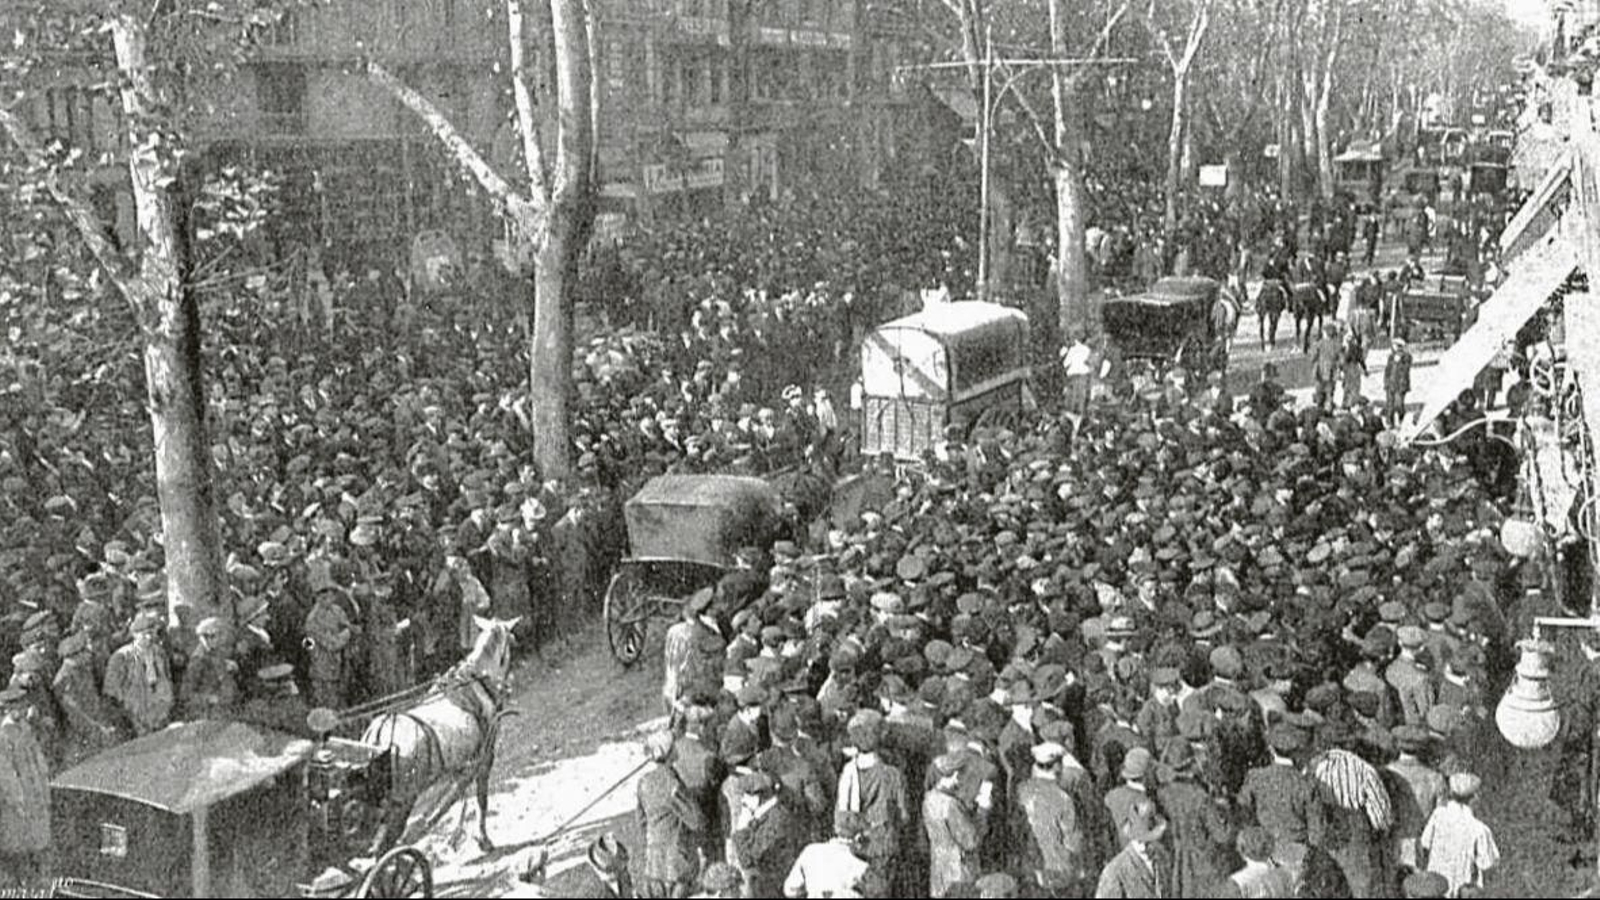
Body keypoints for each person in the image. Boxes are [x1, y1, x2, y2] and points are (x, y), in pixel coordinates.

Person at [637, 730, 707, 899]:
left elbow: (641, 822)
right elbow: (696, 821)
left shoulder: (644, 782)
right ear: (669, 752)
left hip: (653, 865)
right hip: (676, 865)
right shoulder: (672, 784)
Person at [1015, 740, 1085, 895]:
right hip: (1058, 873)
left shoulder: (1021, 790)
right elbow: (1073, 843)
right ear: (1057, 767)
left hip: (1029, 870)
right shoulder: (1063, 799)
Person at [1419, 772, 1499, 896]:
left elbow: (1424, 844)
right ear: (1474, 798)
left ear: (1451, 794)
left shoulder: (1437, 815)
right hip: (1463, 891)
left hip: (1435, 889)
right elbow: (1487, 864)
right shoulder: (1479, 829)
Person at [0, 688, 49, 888]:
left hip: (33, 785)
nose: (21, 710)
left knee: (35, 835)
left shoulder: (24, 727)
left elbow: (37, 755)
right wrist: (16, 797)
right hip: (16, 793)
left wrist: (43, 778)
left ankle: (33, 877)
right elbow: (5, 771)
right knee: (15, 837)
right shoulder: (4, 734)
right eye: (16, 706)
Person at [52, 631, 122, 765]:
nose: (89, 654)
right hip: (86, 732)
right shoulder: (63, 680)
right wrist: (98, 728)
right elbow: (75, 713)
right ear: (74, 655)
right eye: (84, 650)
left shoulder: (83, 669)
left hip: (98, 723)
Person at [103, 609, 174, 736]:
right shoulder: (122, 657)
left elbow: (166, 676)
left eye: (151, 633)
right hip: (135, 708)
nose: (149, 637)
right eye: (144, 634)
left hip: (158, 703)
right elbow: (111, 690)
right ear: (135, 635)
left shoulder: (159, 652)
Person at [924, 752, 981, 897]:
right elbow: (971, 841)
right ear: (947, 776)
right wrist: (983, 810)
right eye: (956, 775)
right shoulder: (951, 805)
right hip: (958, 870)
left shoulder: (928, 799)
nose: (958, 780)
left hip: (939, 866)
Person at [783, 809, 872, 898]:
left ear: (835, 828)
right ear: (859, 836)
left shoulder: (811, 852)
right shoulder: (863, 866)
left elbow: (790, 890)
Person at [1094, 796, 1171, 898]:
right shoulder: (1115, 871)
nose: (1143, 847)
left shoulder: (1163, 859)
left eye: (1148, 841)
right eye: (1139, 841)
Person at [181, 616, 238, 721]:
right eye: (214, 636)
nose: (219, 639)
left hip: (223, 710)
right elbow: (186, 694)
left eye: (219, 635)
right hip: (207, 715)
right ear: (205, 638)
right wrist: (209, 698)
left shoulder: (215, 652)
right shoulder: (198, 660)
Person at [1218, 826, 1295, 898]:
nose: (1263, 840)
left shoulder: (1280, 867)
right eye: (1255, 839)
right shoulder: (1240, 881)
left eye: (1261, 834)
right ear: (1246, 851)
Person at [1309, 324, 1343, 410]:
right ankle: (1328, 409)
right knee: (1330, 392)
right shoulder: (1337, 345)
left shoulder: (1319, 344)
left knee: (1319, 391)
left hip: (1319, 371)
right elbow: (1341, 360)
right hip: (1332, 372)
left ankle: (1319, 408)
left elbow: (1312, 358)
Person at [1385, 337, 1413, 428]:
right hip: (1391, 384)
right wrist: (1386, 382)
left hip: (1400, 385)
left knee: (1399, 404)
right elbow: (1387, 370)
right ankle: (1390, 423)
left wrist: (1399, 361)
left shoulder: (1407, 357)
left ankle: (1401, 420)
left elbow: (1405, 370)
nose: (1394, 348)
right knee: (1390, 405)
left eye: (1396, 346)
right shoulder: (1391, 357)